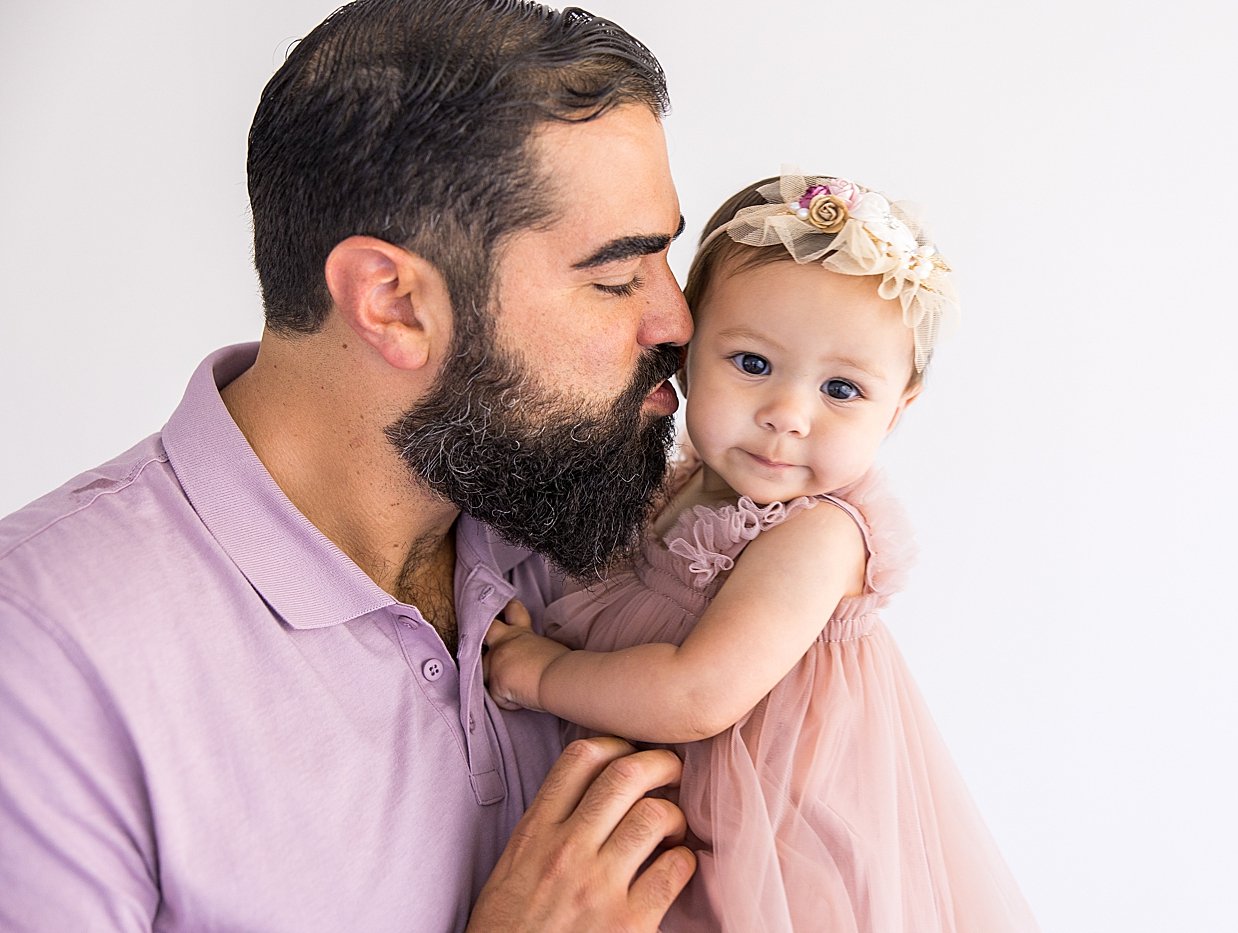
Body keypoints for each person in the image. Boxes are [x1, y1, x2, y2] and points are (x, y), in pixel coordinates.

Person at [0, 2, 701, 930]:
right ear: (393, 302)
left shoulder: (601, 527)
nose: (677, 321)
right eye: (616, 277)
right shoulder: (42, 653)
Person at [483, 171, 1041, 931]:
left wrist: (539, 671)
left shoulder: (819, 535)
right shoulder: (673, 489)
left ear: (898, 409)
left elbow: (696, 693)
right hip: (652, 825)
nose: (787, 415)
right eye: (751, 364)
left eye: (842, 389)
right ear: (686, 355)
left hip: (760, 852)